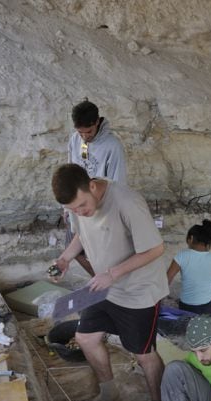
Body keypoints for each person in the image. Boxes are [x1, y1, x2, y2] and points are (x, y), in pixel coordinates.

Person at [50, 163, 168, 401]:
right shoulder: (80, 207)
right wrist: (65, 258)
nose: (80, 212)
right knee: (86, 338)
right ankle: (108, 391)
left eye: (82, 205)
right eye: (74, 210)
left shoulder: (127, 202)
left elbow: (156, 249)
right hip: (104, 287)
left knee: (143, 353)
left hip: (138, 292)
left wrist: (112, 274)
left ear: (92, 185)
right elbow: (81, 233)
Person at [65, 100, 128, 276]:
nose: (85, 137)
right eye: (80, 132)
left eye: (89, 132)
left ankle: (106, 281)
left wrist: (112, 214)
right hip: (78, 206)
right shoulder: (75, 140)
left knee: (101, 252)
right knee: (73, 245)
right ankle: (101, 280)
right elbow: (69, 171)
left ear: (97, 122)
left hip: (100, 208)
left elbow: (118, 182)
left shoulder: (112, 146)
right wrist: (67, 206)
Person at [167, 219, 211, 315]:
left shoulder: (181, 256)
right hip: (206, 308)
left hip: (185, 307)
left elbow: (166, 281)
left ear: (190, 238)